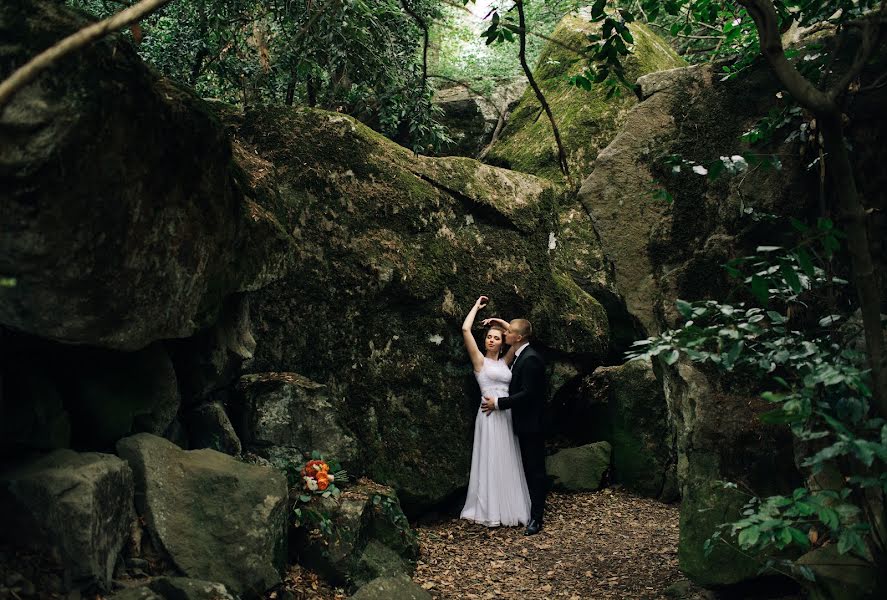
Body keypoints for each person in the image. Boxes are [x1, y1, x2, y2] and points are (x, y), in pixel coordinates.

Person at [459, 295, 531, 527]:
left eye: (496, 338)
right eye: (489, 337)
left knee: (507, 458)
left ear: (503, 342)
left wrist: (499, 322)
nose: (491, 340)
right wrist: (476, 307)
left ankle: (508, 506)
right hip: (488, 416)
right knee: (489, 459)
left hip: (505, 415)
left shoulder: (506, 361)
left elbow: (517, 335)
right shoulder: (480, 361)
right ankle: (489, 508)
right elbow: (465, 329)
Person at [481, 318, 549, 535]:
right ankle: (530, 510)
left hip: (533, 424)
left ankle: (536, 518)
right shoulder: (520, 355)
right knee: (528, 468)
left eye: (508, 331)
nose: (504, 333)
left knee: (535, 470)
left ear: (517, 338)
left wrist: (499, 403)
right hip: (522, 423)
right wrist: (498, 321)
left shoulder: (530, 360)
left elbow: (528, 394)